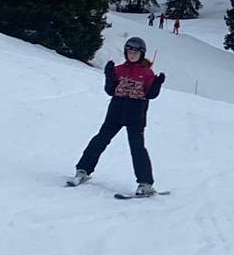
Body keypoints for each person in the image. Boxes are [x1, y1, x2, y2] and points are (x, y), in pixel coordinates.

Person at [71, 36, 165, 194]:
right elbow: (110, 90)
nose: (132, 55)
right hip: (116, 111)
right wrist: (109, 75)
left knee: (137, 148)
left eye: (136, 52)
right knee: (100, 140)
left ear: (141, 54)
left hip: (136, 115)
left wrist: (157, 84)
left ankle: (145, 184)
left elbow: (150, 95)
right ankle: (83, 170)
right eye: (130, 51)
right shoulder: (119, 70)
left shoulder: (147, 73)